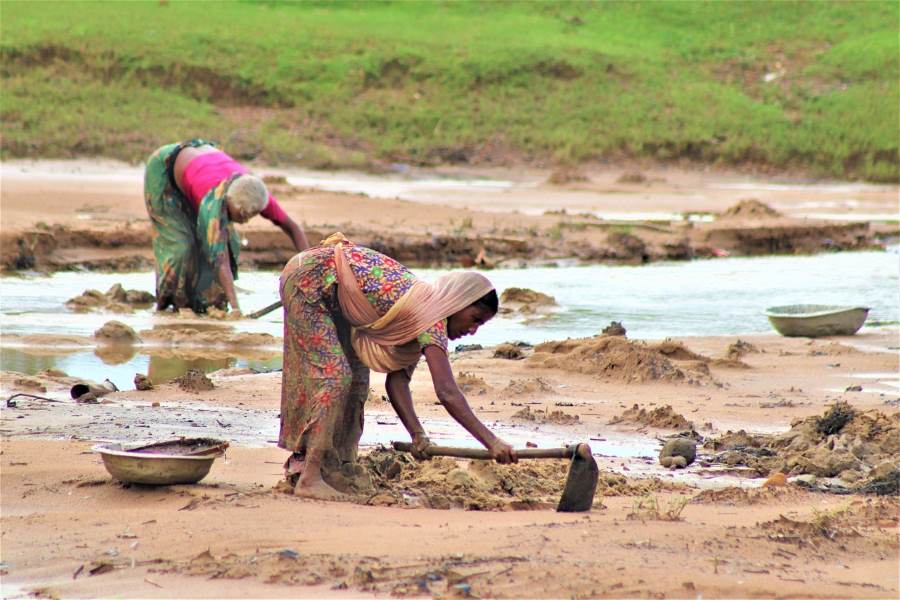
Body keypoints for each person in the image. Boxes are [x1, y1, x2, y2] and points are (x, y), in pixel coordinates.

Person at [279, 233, 517, 500]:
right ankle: (309, 478)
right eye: (474, 319)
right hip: (310, 279)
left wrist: (419, 437)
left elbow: (398, 382)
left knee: (357, 382)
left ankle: (335, 468)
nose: (472, 331)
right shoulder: (430, 314)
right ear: (458, 302)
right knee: (335, 377)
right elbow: (447, 391)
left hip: (333, 291)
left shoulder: (422, 312)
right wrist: (492, 442)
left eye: (479, 326)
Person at [143, 139, 309, 315]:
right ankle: (165, 303)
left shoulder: (256, 193)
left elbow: (293, 228)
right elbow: (220, 259)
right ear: (232, 205)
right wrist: (236, 308)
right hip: (165, 168)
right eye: (241, 217)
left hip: (199, 167)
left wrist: (308, 269)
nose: (244, 222)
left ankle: (204, 301)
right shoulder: (214, 199)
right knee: (181, 247)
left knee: (230, 244)